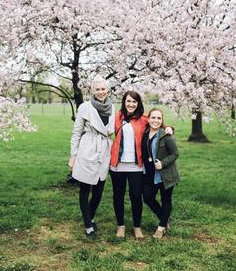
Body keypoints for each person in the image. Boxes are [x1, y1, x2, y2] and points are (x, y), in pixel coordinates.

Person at [110, 91, 173, 238]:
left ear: (138, 104)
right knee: (118, 196)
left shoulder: (143, 119)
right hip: (117, 164)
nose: (131, 104)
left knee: (136, 196)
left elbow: (159, 124)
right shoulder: (117, 117)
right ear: (124, 102)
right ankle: (121, 226)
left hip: (136, 165)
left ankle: (137, 227)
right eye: (128, 101)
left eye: (134, 102)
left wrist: (169, 128)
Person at [69, 77, 114, 237]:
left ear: (107, 90)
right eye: (97, 89)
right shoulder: (85, 107)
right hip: (88, 148)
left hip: (104, 150)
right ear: (93, 91)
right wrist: (73, 155)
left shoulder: (112, 108)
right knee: (85, 189)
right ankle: (88, 224)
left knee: (99, 190)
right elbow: (76, 132)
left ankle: (91, 215)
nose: (101, 92)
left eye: (103, 89)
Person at [141, 108, 180, 238]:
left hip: (165, 174)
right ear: (148, 118)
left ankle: (161, 226)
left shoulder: (166, 136)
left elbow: (175, 153)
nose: (155, 120)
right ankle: (164, 218)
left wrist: (163, 163)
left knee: (166, 199)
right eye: (153, 117)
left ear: (162, 120)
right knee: (147, 197)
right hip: (149, 174)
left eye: (159, 118)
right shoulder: (145, 133)